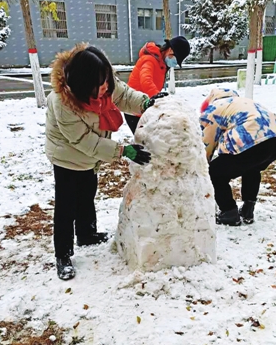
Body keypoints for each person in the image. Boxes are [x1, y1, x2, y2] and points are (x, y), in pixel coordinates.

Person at [45, 43, 161, 280]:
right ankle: (63, 255)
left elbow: (125, 95)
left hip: (89, 156)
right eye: (100, 84)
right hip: (67, 155)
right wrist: (122, 151)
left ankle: (87, 234)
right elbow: (85, 141)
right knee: (67, 205)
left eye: (107, 80)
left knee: (88, 192)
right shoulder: (64, 103)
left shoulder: (103, 82)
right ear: (83, 84)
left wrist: (146, 103)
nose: (106, 86)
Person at [200, 87, 276, 226]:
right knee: (252, 168)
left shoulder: (213, 108)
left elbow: (206, 142)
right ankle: (248, 209)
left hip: (251, 141)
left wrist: (203, 166)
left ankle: (228, 212)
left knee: (215, 173)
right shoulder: (243, 102)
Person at [124, 36, 191, 133]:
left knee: (150, 140)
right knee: (144, 142)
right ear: (170, 50)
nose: (175, 63)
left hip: (144, 106)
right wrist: (156, 96)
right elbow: (146, 80)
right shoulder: (149, 59)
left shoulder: (162, 64)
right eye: (176, 59)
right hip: (133, 108)